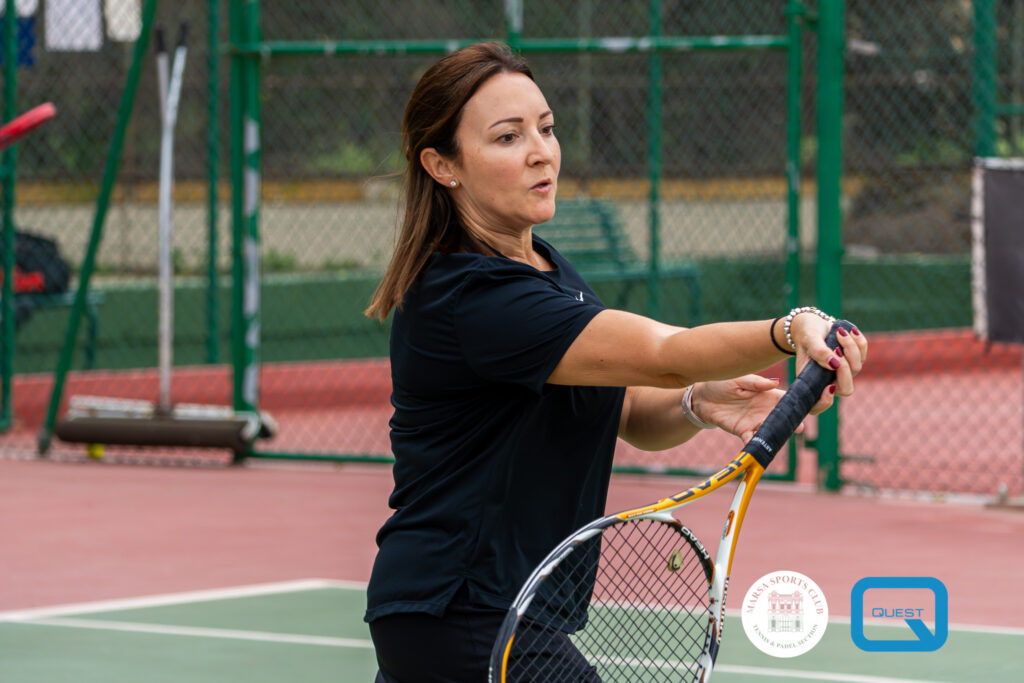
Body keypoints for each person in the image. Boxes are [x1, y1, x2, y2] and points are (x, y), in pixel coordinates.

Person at [362, 41, 867, 682]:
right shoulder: (470, 295)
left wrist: (697, 403)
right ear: (443, 164)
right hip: (462, 610)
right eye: (508, 137)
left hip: (489, 614)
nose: (542, 151)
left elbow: (626, 406)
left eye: (546, 128)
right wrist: (790, 328)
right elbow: (663, 355)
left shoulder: (543, 268)